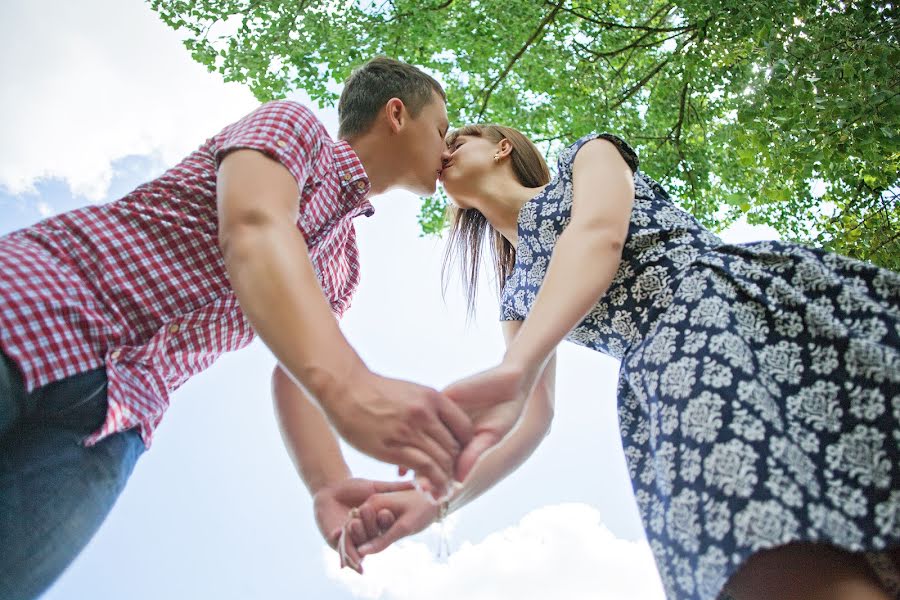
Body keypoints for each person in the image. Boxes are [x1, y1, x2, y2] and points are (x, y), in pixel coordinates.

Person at [342, 125, 900, 600]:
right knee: (759, 550)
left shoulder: (588, 154)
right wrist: (433, 498)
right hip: (667, 374)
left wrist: (518, 366)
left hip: (745, 303)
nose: (444, 150)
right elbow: (531, 419)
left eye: (459, 138)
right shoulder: (518, 298)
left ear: (501, 147)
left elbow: (598, 235)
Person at [0, 57, 474, 599]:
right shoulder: (296, 128)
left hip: (116, 421)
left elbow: (298, 373)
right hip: (36, 305)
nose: (448, 148)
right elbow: (253, 224)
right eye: (441, 129)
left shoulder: (344, 267)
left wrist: (329, 482)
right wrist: (351, 386)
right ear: (396, 114)